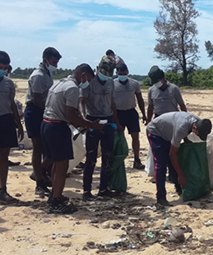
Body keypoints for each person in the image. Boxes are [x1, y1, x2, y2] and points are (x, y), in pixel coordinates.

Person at [42, 64, 104, 213]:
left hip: (46, 124)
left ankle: (54, 195)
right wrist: (90, 124)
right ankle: (56, 202)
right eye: (87, 79)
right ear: (83, 75)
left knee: (57, 164)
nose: (86, 83)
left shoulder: (59, 84)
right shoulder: (72, 88)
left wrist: (81, 124)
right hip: (57, 127)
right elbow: (70, 114)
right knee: (62, 166)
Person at [146, 112, 212, 207]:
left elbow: (185, 132)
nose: (198, 136)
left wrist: (186, 140)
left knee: (172, 162)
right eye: (199, 134)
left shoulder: (197, 121)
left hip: (168, 132)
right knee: (161, 164)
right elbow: (172, 154)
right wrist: (181, 175)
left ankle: (179, 188)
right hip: (156, 132)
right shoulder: (181, 129)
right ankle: (161, 197)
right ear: (195, 128)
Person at [79, 59, 122, 199]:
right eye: (103, 72)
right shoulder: (89, 83)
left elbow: (111, 102)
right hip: (93, 120)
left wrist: (117, 121)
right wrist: (84, 120)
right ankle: (86, 190)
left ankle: (103, 189)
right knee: (91, 157)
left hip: (108, 121)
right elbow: (82, 102)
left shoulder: (111, 82)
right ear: (98, 69)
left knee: (107, 156)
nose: (106, 75)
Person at [25, 48, 62, 196]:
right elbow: (38, 99)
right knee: (38, 148)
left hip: (45, 111)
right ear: (45, 59)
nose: (56, 65)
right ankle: (39, 183)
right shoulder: (38, 76)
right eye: (54, 62)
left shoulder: (48, 73)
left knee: (49, 148)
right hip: (35, 112)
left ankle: (40, 172)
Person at [0, 51, 24, 205]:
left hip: (6, 120)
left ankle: (3, 190)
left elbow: (12, 104)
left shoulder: (8, 83)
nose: (2, 70)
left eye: (5, 68)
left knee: (4, 155)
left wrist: (18, 124)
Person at [113, 63, 147, 169]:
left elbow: (140, 99)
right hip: (118, 113)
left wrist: (144, 114)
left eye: (124, 73)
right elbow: (110, 102)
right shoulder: (112, 84)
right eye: (120, 73)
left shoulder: (134, 83)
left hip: (131, 112)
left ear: (127, 72)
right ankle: (118, 160)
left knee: (135, 137)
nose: (122, 74)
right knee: (118, 137)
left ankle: (137, 159)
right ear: (116, 73)